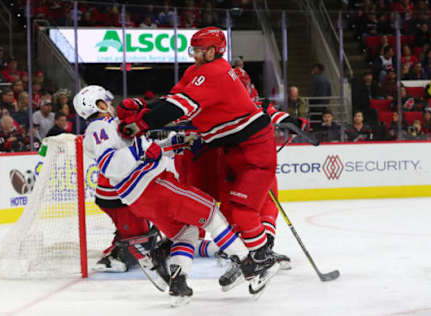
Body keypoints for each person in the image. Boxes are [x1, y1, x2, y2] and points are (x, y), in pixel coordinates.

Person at [117, 27, 307, 291]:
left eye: (199, 49)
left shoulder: (216, 72)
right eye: (193, 49)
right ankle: (249, 258)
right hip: (228, 149)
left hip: (252, 148)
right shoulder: (195, 72)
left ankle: (261, 257)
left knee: (242, 210)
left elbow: (179, 108)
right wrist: (143, 111)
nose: (194, 54)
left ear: (213, 50)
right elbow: (173, 101)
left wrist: (141, 124)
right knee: (221, 208)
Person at [74, 85, 277, 306]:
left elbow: (144, 149)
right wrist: (139, 151)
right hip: (155, 186)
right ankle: (250, 266)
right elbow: (112, 164)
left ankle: (178, 283)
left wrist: (175, 142)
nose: (111, 106)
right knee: (212, 213)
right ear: (99, 105)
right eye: (107, 102)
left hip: (142, 197)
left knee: (186, 233)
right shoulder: (99, 128)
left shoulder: (110, 126)